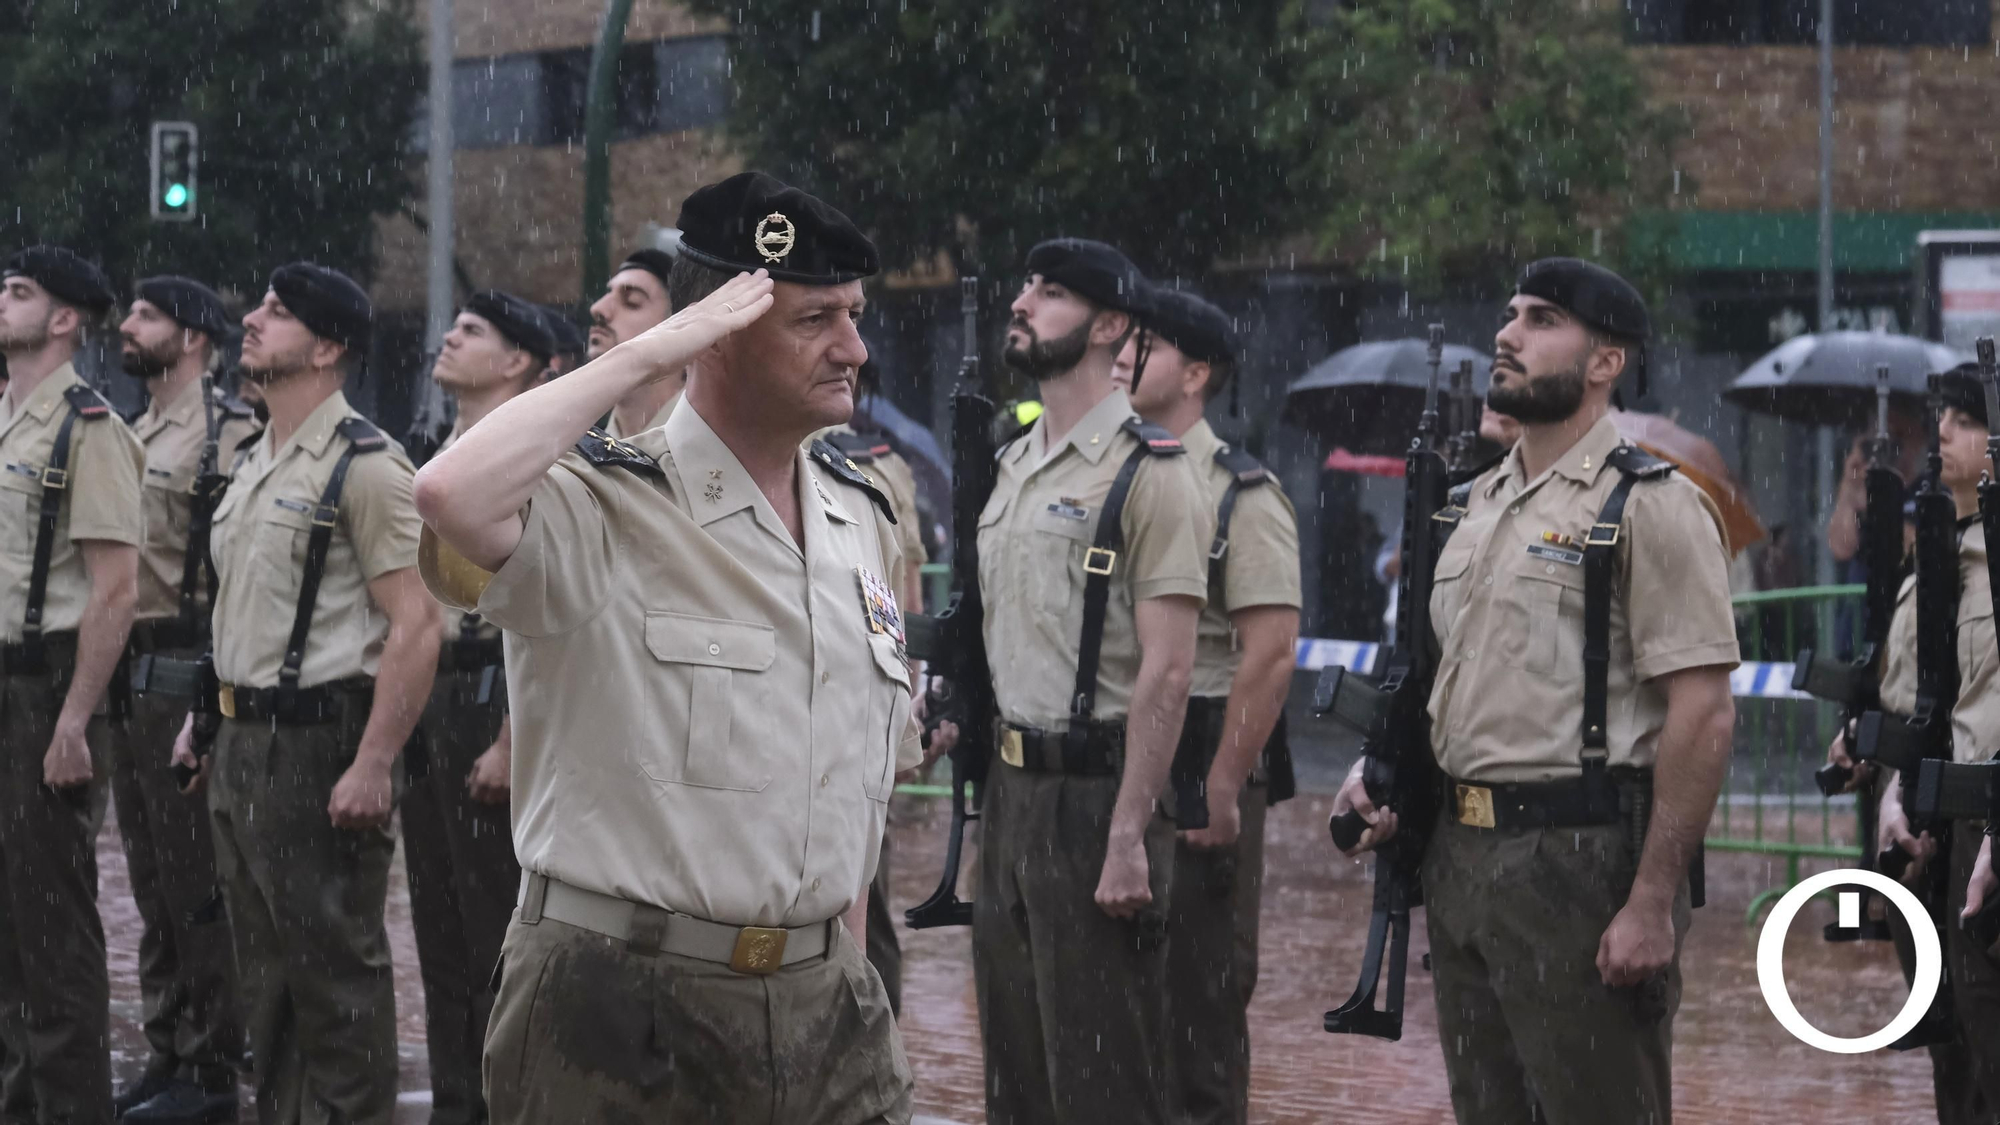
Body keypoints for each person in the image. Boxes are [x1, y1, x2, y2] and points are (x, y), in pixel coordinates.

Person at [413, 171, 946, 1123]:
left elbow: (841, 802)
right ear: (720, 335)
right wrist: (649, 351)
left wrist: (849, 973)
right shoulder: (607, 502)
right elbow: (450, 496)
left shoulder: (857, 515)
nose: (854, 348)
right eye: (816, 318)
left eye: (855, 315)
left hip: (828, 1008)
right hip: (624, 1014)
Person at [1334, 258, 1739, 1125]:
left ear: (1605, 362)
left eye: (1542, 318)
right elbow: (1454, 679)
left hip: (1580, 859)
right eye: (1511, 313)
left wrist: (1650, 899)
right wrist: (1391, 772)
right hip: (1462, 856)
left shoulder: (1650, 505)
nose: (1507, 333)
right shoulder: (1473, 503)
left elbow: (1702, 712)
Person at [171, 262, 439, 1125]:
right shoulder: (255, 461)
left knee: (335, 976)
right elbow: (240, 614)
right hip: (246, 740)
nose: (251, 319)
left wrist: (373, 762)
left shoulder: (366, 465)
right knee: (268, 977)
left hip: (319, 742)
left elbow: (417, 622)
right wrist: (207, 724)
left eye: (278, 314)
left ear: (327, 348)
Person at [972, 238, 1210, 1125]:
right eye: (1026, 283)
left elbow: (1170, 665)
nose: (1023, 302)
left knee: (1103, 1078)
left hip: (1098, 790)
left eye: (1053, 292)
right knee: (1017, 1072)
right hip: (1013, 789)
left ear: (1112, 325)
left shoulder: (1151, 472)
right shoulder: (1013, 461)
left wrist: (1127, 832)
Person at [1113, 287, 1299, 1125]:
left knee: (1197, 1000)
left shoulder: (1240, 494)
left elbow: (1269, 653)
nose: (1120, 356)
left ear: (1195, 373)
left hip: (1201, 752)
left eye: (1141, 346)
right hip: (1125, 747)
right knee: (1121, 999)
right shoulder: (1117, 473)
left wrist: (1223, 782)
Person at [0, 245, 142, 1125]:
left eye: (15, 293)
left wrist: (73, 721)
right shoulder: (10, 419)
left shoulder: (85, 428)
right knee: (8, 929)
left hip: (41, 685)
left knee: (51, 922)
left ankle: (71, 1109)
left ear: (63, 320)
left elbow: (115, 587)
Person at [403, 290, 551, 1125]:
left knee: (498, 928)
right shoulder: (437, 448)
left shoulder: (528, 453)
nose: (449, 335)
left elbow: (541, 618)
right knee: (441, 926)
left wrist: (507, 739)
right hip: (439, 688)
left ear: (518, 361)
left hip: (495, 687)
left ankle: (503, 1103)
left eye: (473, 330)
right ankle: (455, 1101)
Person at [113, 275, 255, 1124]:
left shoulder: (228, 435)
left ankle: (211, 1066)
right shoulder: (132, 432)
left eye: (148, 315)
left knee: (198, 881)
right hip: (128, 666)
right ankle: (170, 1044)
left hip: (184, 659)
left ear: (194, 339)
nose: (129, 326)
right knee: (152, 879)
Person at [588, 248, 681, 437]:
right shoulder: (579, 451)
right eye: (607, 295)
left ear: (681, 330)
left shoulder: (716, 449)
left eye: (632, 301)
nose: (598, 308)